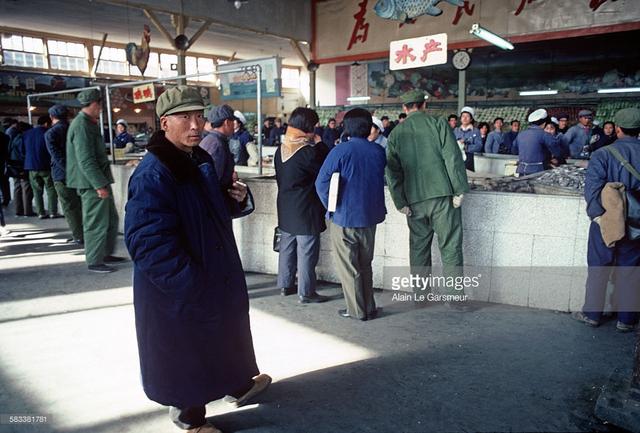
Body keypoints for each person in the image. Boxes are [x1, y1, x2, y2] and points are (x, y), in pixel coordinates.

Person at [125, 87, 270, 433]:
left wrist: (235, 198)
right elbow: (146, 242)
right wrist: (190, 283)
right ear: (164, 123)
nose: (195, 125)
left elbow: (206, 210)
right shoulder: (154, 173)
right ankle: (190, 420)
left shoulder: (197, 158)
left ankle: (237, 384)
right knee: (186, 353)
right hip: (181, 286)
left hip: (213, 271)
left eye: (199, 116)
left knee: (227, 335)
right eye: (185, 118)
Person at [386, 90, 470, 310]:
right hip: (442, 197)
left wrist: (400, 202)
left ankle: (421, 296)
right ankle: (455, 299)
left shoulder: (396, 134)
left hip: (413, 201)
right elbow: (451, 157)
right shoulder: (438, 123)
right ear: (424, 104)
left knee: (418, 248)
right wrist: (459, 189)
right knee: (450, 246)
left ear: (405, 108)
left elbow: (392, 172)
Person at [573, 108, 640, 332]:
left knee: (599, 267)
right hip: (636, 224)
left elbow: (592, 191)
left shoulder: (602, 154)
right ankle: (626, 320)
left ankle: (592, 315)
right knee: (630, 270)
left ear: (618, 129)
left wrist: (598, 218)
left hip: (607, 221)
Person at [315, 108, 386, 321]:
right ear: (369, 127)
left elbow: (321, 183)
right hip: (370, 217)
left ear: (346, 128)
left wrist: (331, 206)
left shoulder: (340, 151)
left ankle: (356, 311)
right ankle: (369, 306)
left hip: (344, 217)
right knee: (365, 264)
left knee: (349, 266)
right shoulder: (378, 151)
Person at [274, 107, 329, 304]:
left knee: (286, 249)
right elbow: (327, 164)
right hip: (305, 210)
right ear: (308, 127)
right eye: (314, 125)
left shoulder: (281, 150)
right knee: (306, 252)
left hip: (285, 208)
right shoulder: (308, 153)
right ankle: (306, 292)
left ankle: (285, 285)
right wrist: (321, 144)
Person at [67, 89, 124, 273]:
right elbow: (86, 160)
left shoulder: (88, 123)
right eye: (99, 105)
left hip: (97, 180)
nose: (100, 108)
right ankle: (94, 260)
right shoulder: (81, 126)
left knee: (110, 219)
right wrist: (99, 185)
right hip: (91, 183)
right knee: (96, 222)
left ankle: (105, 253)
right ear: (92, 104)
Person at [45, 105, 83, 244]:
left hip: (62, 174)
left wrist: (68, 171)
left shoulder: (50, 133)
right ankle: (85, 233)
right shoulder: (75, 129)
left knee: (70, 207)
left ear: (51, 117)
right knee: (80, 204)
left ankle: (78, 236)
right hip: (79, 172)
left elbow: (56, 156)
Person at [23, 115, 59, 219]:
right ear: (46, 124)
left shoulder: (26, 134)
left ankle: (41, 213)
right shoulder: (49, 133)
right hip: (46, 166)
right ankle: (53, 212)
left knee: (37, 191)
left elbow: (22, 150)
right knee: (51, 190)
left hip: (31, 166)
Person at [512, 109, 564, 176]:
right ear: (544, 123)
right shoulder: (545, 135)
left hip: (522, 170)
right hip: (538, 171)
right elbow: (558, 153)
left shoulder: (521, 134)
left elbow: (514, 151)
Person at [199, 105, 236, 191]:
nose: (234, 125)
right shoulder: (217, 145)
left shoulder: (210, 140)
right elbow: (212, 183)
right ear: (227, 122)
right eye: (233, 122)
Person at [8, 122, 35, 217]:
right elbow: (23, 153)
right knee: (26, 187)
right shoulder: (22, 138)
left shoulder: (14, 138)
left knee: (17, 187)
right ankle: (28, 211)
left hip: (14, 165)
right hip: (21, 166)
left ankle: (18, 210)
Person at [453, 106, 483, 171]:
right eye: (463, 116)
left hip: (469, 159)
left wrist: (466, 146)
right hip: (457, 158)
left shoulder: (476, 131)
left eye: (467, 116)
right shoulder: (456, 130)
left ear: (471, 119)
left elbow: (479, 146)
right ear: (460, 118)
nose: (465, 118)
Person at [0, 129, 10, 207]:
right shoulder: (5, 137)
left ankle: (6, 198)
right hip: (2, 161)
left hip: (3, 161)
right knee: (4, 181)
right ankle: (6, 199)